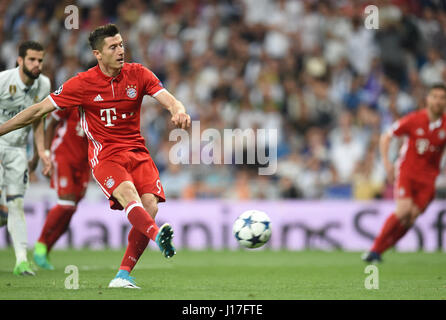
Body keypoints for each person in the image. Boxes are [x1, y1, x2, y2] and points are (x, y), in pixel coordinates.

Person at [0, 24, 191, 288]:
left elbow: (171, 100)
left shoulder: (139, 74)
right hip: (106, 158)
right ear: (98, 54)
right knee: (129, 197)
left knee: (151, 207)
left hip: (138, 152)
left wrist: (178, 111)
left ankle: (123, 275)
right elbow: (38, 111)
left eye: (121, 44)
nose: (120, 50)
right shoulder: (82, 83)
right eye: (113, 47)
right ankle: (158, 235)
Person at [363, 83, 446, 263]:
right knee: (403, 211)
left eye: (442, 97)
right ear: (428, 99)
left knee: (410, 219)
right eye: (435, 96)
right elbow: (386, 137)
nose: (438, 101)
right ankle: (375, 249)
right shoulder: (414, 119)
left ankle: (378, 252)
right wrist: (387, 162)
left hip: (429, 179)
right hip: (408, 172)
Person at [0, 40, 51, 276]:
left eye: (40, 60)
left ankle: (21, 260)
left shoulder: (44, 84)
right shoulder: (4, 80)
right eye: (31, 59)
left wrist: (41, 152)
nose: (36, 64)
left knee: (16, 204)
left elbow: (38, 119)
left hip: (19, 150)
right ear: (20, 60)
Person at [33, 107, 89, 270]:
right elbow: (50, 124)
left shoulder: (101, 106)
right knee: (66, 202)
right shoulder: (73, 102)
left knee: (71, 209)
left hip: (84, 163)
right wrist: (47, 153)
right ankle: (41, 243)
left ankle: (45, 250)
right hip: (63, 156)